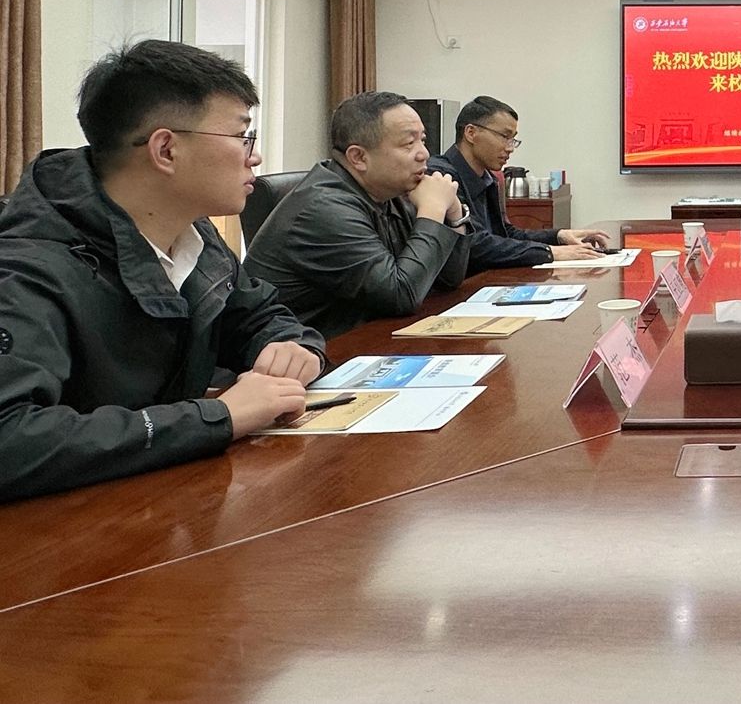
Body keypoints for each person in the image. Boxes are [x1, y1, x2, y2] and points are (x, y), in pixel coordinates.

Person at [0, 41, 325, 502]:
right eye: (241, 137)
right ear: (166, 150)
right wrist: (217, 417)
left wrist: (291, 345)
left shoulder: (193, 233)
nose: (253, 157)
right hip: (61, 531)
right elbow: (10, 437)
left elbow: (257, 314)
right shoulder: (26, 268)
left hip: (160, 500)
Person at [243, 91, 471, 338]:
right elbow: (401, 295)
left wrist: (454, 213)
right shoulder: (324, 208)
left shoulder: (390, 193)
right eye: (408, 143)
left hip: (366, 339)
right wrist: (432, 212)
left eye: (422, 140)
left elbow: (447, 279)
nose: (424, 153)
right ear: (358, 157)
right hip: (308, 350)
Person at [428, 95, 609, 271]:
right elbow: (476, 246)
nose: (510, 148)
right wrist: (550, 252)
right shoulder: (440, 177)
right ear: (471, 133)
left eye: (513, 139)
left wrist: (559, 236)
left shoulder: (488, 177)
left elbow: (505, 235)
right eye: (504, 136)